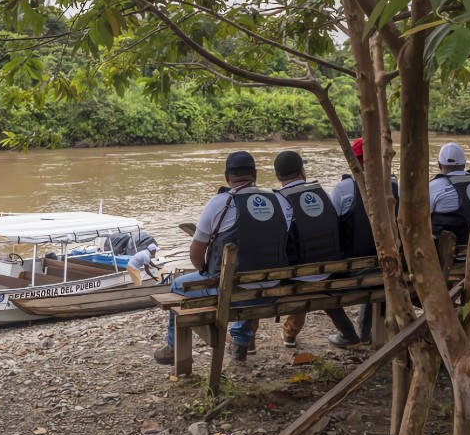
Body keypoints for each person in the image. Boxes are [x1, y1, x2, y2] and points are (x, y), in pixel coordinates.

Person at [154, 151, 291, 365]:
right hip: (273, 288)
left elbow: (196, 255)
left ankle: (173, 348)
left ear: (227, 177)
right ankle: (241, 342)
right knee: (244, 280)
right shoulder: (279, 200)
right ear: (254, 174)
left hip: (233, 292)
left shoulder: (219, 203)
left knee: (179, 286)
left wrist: (207, 274)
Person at [272, 150, 363, 350]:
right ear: (302, 171)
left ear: (278, 176)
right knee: (317, 283)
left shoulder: (278, 200)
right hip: (330, 272)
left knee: (298, 274)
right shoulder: (322, 193)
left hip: (296, 276)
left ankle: (248, 341)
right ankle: (347, 333)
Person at [328, 137, 398, 345]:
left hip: (352, 268)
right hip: (390, 264)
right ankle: (367, 333)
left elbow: (333, 227)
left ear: (353, 162)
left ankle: (351, 333)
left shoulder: (343, 189)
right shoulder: (394, 186)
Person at [429, 142, 470, 245]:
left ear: (439, 164)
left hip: (449, 256)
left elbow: (421, 218)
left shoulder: (433, 186)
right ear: (464, 164)